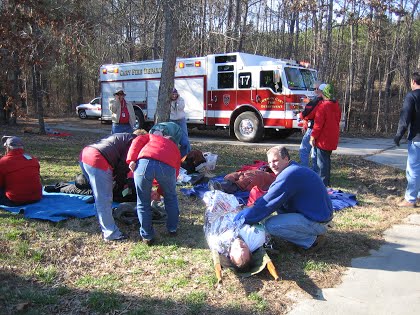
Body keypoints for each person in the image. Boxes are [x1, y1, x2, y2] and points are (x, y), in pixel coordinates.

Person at [234, 146, 333, 252]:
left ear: (286, 159)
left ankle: (312, 241)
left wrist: (240, 219)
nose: (272, 165)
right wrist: (250, 209)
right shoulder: (292, 170)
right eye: (270, 162)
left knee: (271, 225)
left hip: (318, 221)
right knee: (278, 208)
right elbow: (270, 196)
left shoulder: (289, 174)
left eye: (275, 161)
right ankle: (305, 232)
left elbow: (267, 204)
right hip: (319, 215)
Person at [79, 130, 143, 241]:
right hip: (98, 159)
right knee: (104, 199)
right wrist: (120, 183)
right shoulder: (134, 142)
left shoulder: (124, 136)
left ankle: (100, 217)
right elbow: (123, 166)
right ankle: (111, 234)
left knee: (98, 194)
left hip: (85, 154)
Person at [126, 129, 181, 245]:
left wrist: (131, 159)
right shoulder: (175, 149)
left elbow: (138, 140)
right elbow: (174, 175)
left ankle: (147, 237)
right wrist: (161, 192)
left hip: (144, 163)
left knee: (142, 202)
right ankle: (172, 229)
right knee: (171, 198)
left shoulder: (151, 137)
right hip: (167, 167)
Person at [203, 190, 267, 272]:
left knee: (211, 197)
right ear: (250, 252)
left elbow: (210, 225)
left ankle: (216, 190)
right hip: (237, 211)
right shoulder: (256, 239)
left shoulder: (218, 243)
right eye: (243, 247)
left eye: (236, 248)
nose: (239, 244)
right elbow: (259, 223)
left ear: (230, 255)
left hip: (219, 216)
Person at [394, 71, 420, 207]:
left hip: (417, 138)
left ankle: (410, 199)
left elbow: (405, 118)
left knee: (413, 169)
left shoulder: (412, 96)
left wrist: (399, 135)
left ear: (413, 82)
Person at [309, 83, 341, 187]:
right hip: (332, 137)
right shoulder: (336, 105)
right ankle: (326, 182)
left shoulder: (323, 107)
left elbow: (318, 125)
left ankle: (322, 184)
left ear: (324, 93)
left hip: (323, 139)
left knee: (321, 163)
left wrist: (313, 137)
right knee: (326, 160)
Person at [0, 136, 42, 206]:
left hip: (15, 200)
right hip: (36, 198)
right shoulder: (33, 159)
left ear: (7, 148)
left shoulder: (3, 162)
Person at [299, 81, 323, 172]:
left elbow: (308, 113)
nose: (315, 91)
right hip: (318, 129)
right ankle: (315, 172)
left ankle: (305, 171)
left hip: (313, 129)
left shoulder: (316, 101)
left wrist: (301, 116)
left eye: (317, 89)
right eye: (314, 89)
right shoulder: (326, 102)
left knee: (304, 150)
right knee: (315, 152)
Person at [169, 88, 191, 157]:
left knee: (185, 142)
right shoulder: (168, 101)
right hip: (172, 121)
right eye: (172, 94)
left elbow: (181, 107)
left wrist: (177, 101)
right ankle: (174, 158)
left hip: (181, 121)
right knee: (173, 141)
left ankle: (184, 157)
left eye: (175, 94)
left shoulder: (180, 99)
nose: (174, 96)